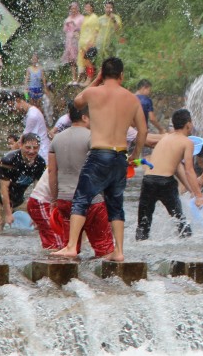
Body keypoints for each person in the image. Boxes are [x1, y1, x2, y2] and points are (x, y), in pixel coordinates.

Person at [52, 57, 147, 261]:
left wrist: (96, 80)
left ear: (103, 74)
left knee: (81, 199)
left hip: (99, 154)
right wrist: (135, 155)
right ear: (121, 75)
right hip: (120, 156)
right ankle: (119, 251)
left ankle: (70, 246)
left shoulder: (93, 92)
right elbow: (143, 130)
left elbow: (77, 102)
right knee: (115, 203)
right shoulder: (132, 99)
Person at [47, 103, 115, 257]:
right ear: (85, 117)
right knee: (104, 249)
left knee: (70, 248)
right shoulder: (93, 137)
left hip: (65, 200)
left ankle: (69, 279)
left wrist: (54, 199)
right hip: (92, 201)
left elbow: (52, 172)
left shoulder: (56, 139)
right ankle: (105, 280)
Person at [136, 109, 203, 240]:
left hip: (148, 180)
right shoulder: (187, 142)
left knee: (143, 224)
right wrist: (199, 195)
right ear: (188, 124)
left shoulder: (165, 137)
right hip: (165, 183)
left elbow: (177, 168)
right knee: (180, 220)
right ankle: (188, 245)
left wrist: (191, 190)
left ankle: (140, 249)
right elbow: (189, 170)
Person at [0, 133, 46, 235]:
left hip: (19, 202)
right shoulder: (9, 160)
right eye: (28, 147)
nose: (31, 151)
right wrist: (7, 213)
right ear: (20, 145)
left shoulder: (40, 163)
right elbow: (4, 189)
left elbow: (38, 190)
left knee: (39, 225)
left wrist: (36, 214)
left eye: (35, 148)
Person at [13, 92, 51, 161]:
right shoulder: (33, 111)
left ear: (18, 101)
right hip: (41, 150)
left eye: (14, 105)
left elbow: (23, 138)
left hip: (42, 153)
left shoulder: (32, 115)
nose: (15, 109)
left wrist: (13, 148)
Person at [77, 1, 99, 81]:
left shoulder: (94, 17)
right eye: (85, 7)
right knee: (83, 62)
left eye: (88, 7)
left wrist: (92, 42)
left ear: (92, 8)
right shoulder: (85, 18)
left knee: (88, 61)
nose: (86, 8)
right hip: (82, 44)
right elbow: (82, 30)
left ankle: (89, 79)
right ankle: (85, 78)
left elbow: (96, 31)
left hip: (90, 44)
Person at [62, 2, 84, 81]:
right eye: (72, 9)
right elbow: (64, 30)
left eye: (74, 8)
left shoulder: (81, 17)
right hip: (69, 40)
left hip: (77, 39)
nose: (73, 10)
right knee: (71, 60)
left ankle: (80, 77)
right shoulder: (68, 18)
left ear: (77, 9)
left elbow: (83, 28)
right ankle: (74, 78)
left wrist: (75, 26)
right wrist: (67, 24)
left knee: (79, 58)